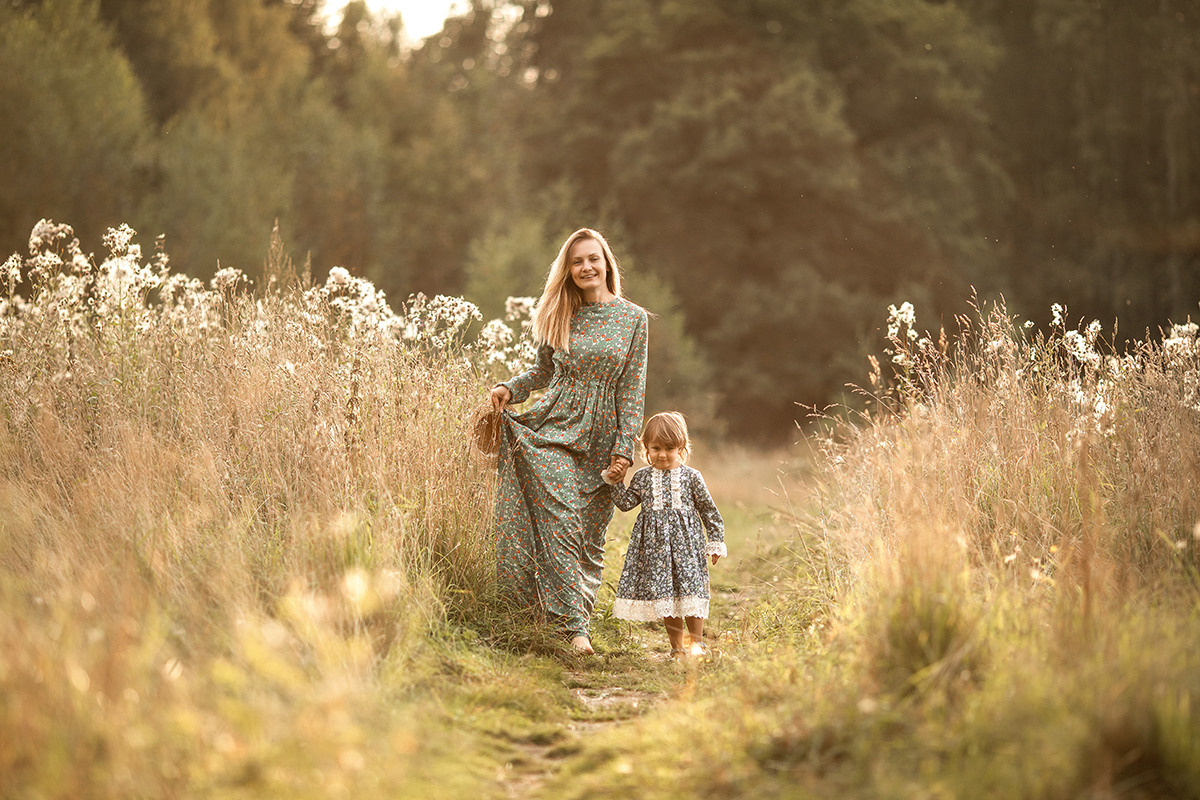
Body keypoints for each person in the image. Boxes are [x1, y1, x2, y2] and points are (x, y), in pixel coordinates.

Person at [489, 228, 648, 654]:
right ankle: (576, 631)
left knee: (589, 539)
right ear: (568, 269)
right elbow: (541, 373)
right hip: (555, 429)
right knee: (562, 522)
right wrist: (510, 389)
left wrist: (623, 449)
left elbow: (631, 391)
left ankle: (553, 616)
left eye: (593, 259)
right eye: (577, 261)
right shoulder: (558, 312)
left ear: (607, 263)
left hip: (602, 438)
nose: (586, 267)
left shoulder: (633, 319)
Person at [603, 411, 726, 660]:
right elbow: (627, 504)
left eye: (669, 448)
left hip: (687, 547)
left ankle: (697, 644)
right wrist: (615, 482)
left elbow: (709, 511)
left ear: (681, 447)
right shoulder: (643, 477)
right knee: (666, 596)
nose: (662, 454)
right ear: (646, 447)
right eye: (656, 447)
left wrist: (715, 542)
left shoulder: (692, 477)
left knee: (691, 593)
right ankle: (676, 648)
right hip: (655, 549)